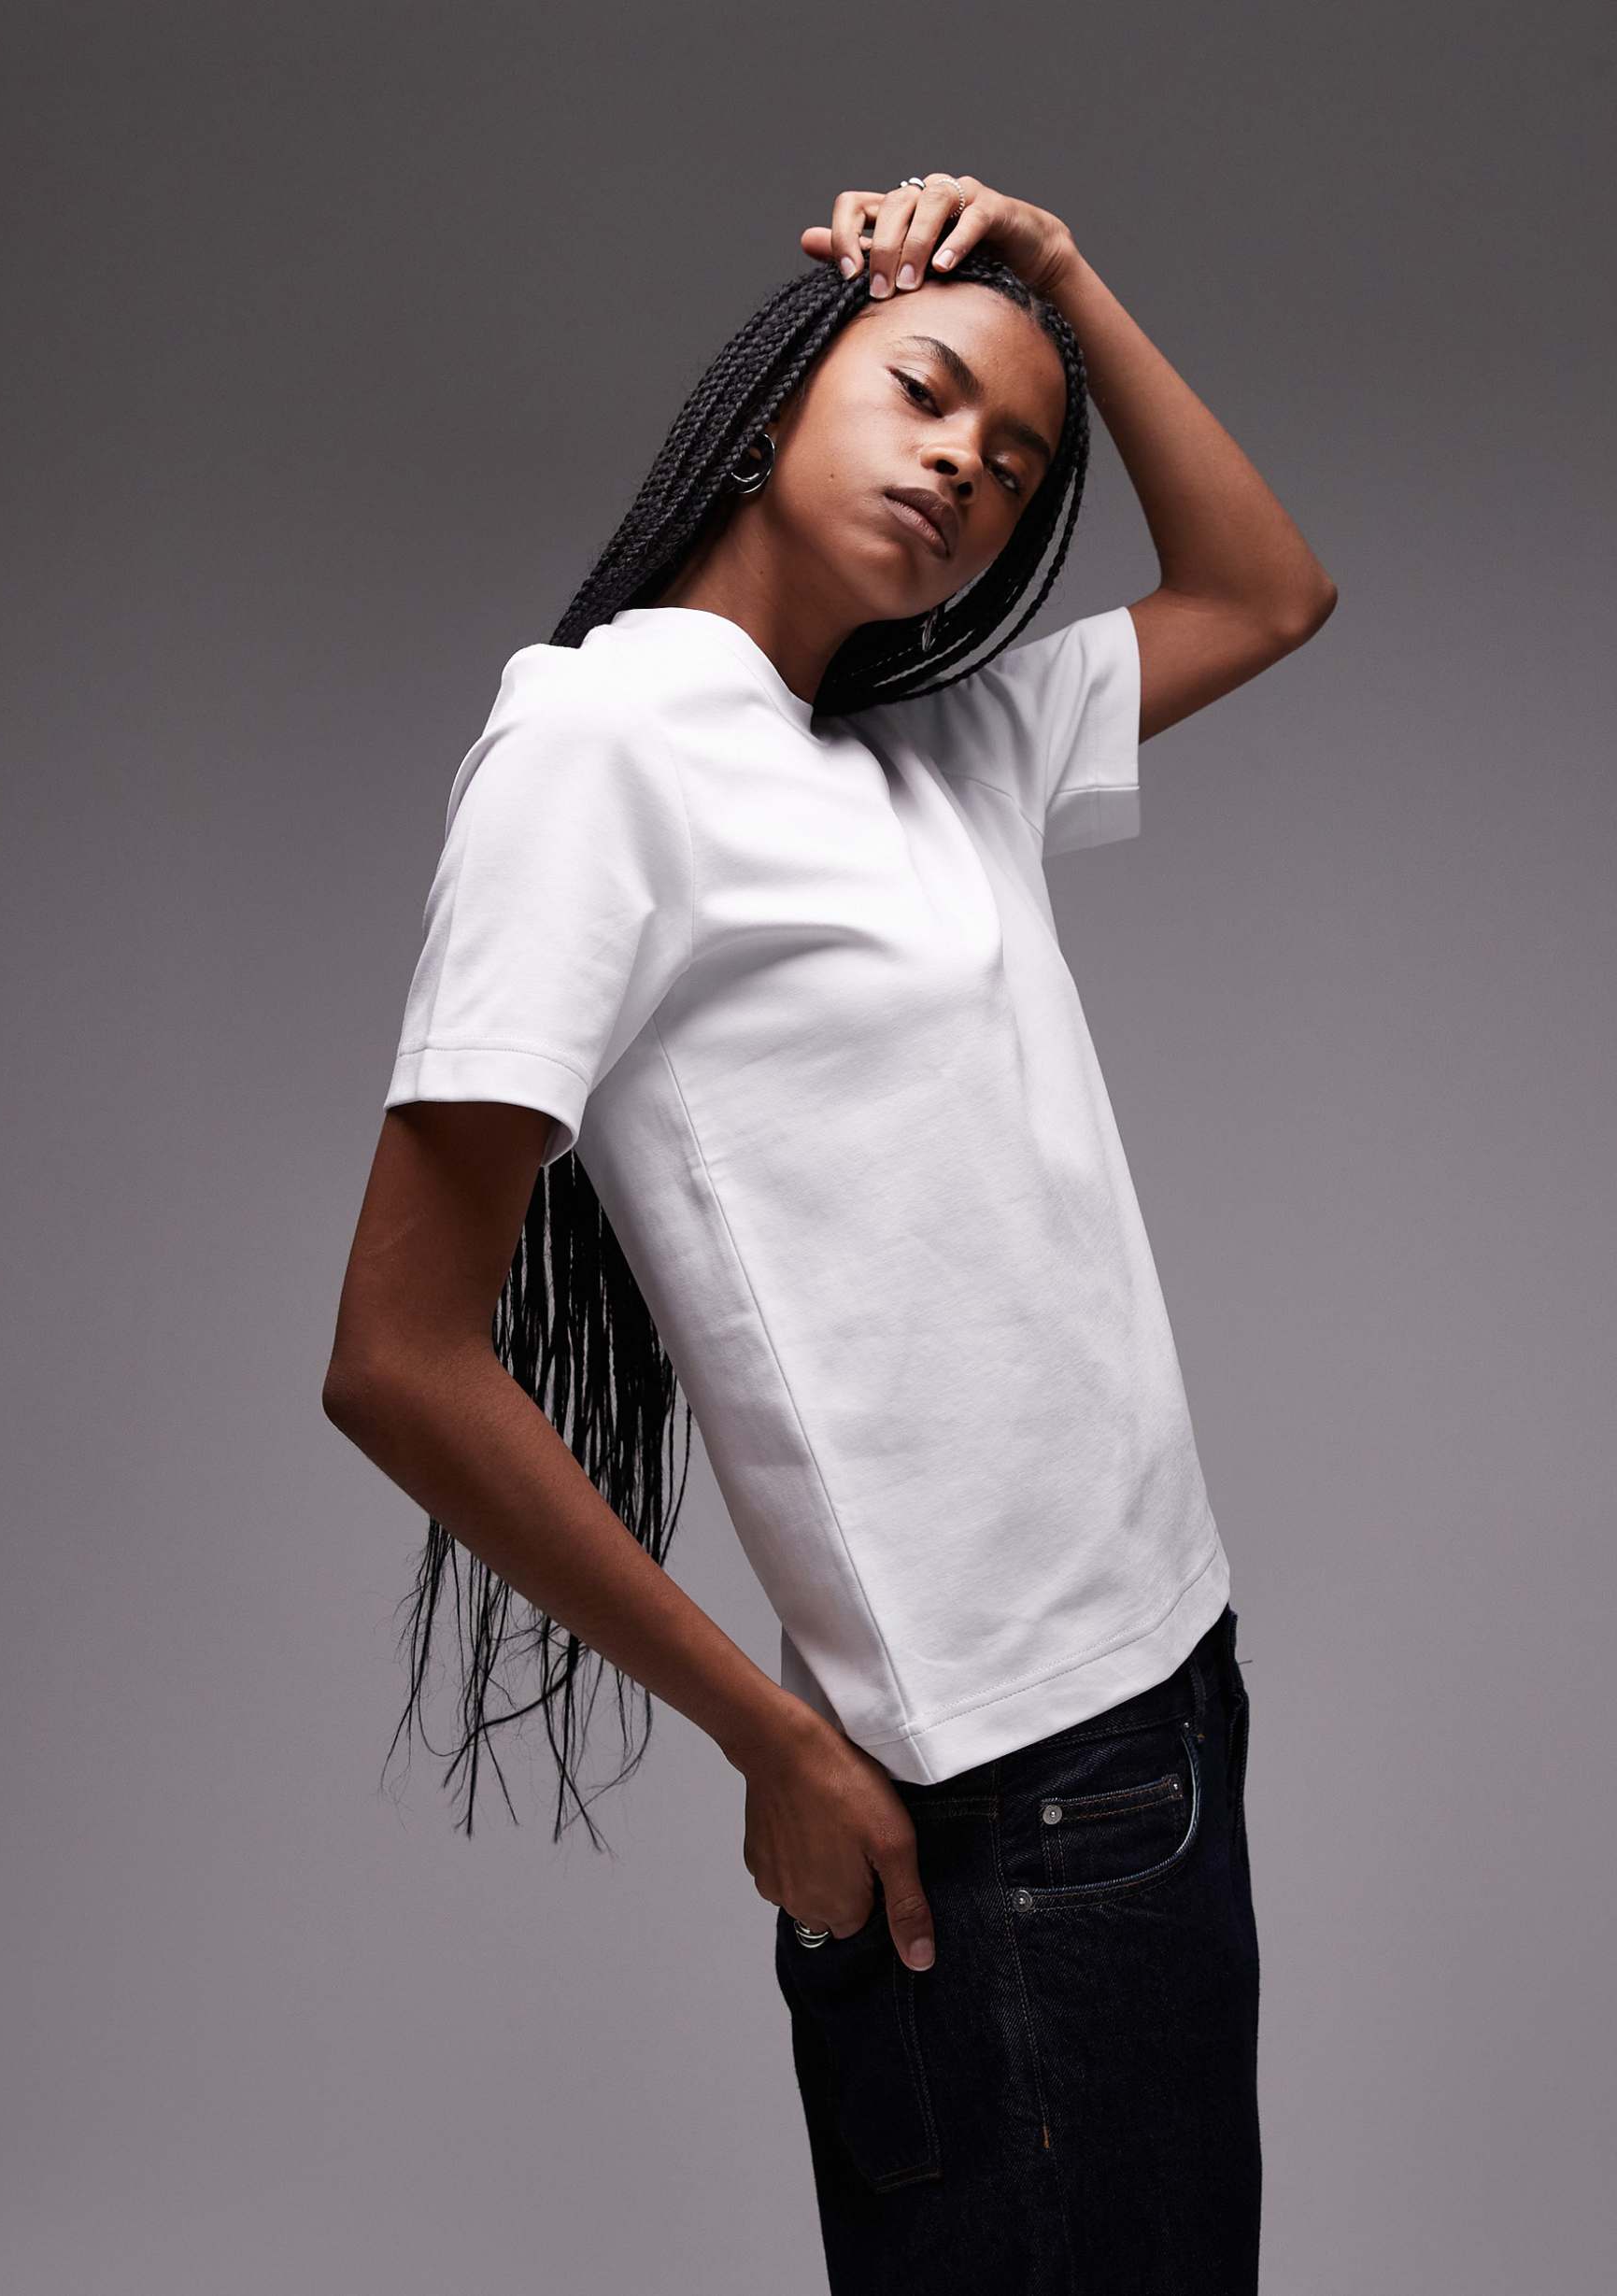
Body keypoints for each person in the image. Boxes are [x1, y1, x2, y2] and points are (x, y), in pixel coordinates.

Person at [324, 171, 1335, 2293]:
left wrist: (1057, 276)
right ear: (782, 390)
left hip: (1166, 1694)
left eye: (1017, 463)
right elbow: (396, 1357)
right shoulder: (601, 740)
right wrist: (769, 1734)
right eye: (928, 390)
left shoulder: (938, 755)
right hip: (1002, 1793)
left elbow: (1266, 592)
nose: (969, 465)